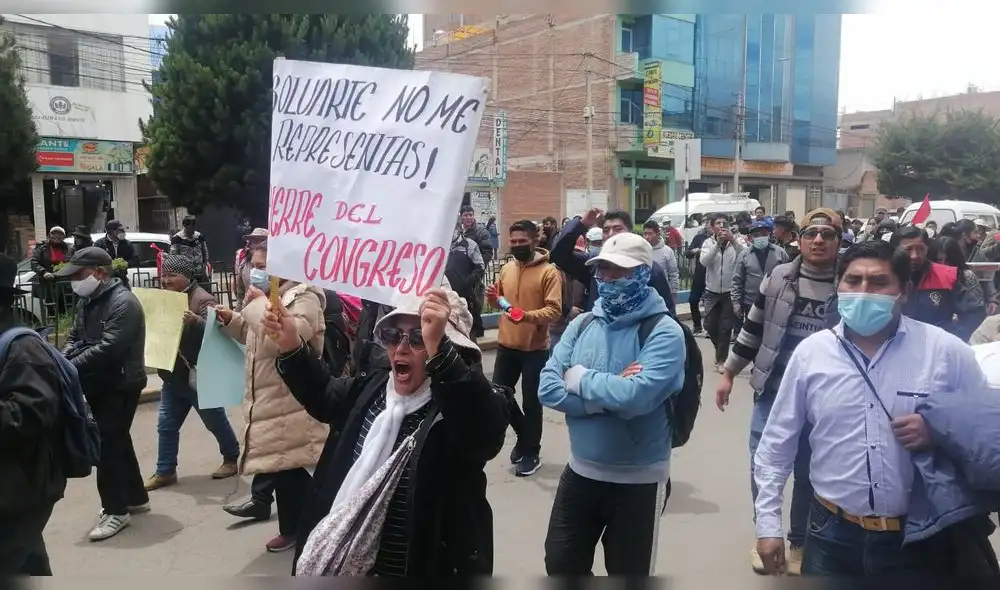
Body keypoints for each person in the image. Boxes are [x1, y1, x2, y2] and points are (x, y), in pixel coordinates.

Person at [754, 241, 994, 577]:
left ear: (904, 292)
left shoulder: (946, 352)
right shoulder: (812, 354)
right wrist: (767, 526)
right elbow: (776, 445)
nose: (863, 291)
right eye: (853, 280)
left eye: (879, 282)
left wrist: (939, 430)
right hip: (830, 534)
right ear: (838, 286)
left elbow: (987, 432)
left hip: (919, 536)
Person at [268, 285, 509, 576]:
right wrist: (292, 347)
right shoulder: (373, 386)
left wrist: (441, 354)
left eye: (420, 336)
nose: (402, 347)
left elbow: (483, 433)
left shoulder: (458, 406)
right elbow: (326, 397)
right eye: (393, 336)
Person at [538, 232, 685, 576]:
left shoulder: (665, 332)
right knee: (560, 565)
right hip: (580, 474)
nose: (607, 279)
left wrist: (578, 378)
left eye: (618, 271)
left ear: (643, 274)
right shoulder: (582, 323)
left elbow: (636, 396)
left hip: (638, 483)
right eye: (602, 270)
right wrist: (607, 396)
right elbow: (548, 388)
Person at [717, 208, 842, 575]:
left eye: (827, 234)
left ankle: (800, 540)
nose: (818, 240)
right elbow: (752, 330)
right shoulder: (779, 278)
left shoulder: (850, 282)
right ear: (799, 239)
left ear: (839, 240)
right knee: (764, 467)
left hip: (823, 402)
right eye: (811, 233)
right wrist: (728, 373)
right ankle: (766, 534)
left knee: (808, 471)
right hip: (772, 392)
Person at [216, 243, 328, 552]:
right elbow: (255, 337)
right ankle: (292, 529)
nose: (256, 271)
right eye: (254, 264)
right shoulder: (267, 298)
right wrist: (232, 322)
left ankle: (310, 534)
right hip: (269, 396)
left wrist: (256, 305)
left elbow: (286, 338)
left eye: (264, 265)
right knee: (282, 469)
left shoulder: (304, 296)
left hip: (293, 398)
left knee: (298, 469)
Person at [56, 247, 148, 541]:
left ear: (99, 273)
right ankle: (135, 496)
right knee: (118, 437)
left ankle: (116, 509)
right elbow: (76, 337)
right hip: (99, 383)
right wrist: (61, 359)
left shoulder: (125, 303)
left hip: (121, 384)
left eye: (79, 274)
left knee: (107, 443)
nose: (75, 281)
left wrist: (68, 367)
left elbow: (109, 348)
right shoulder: (88, 300)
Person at [143, 254, 240, 492]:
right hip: (173, 375)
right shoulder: (166, 298)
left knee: (214, 421)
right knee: (166, 426)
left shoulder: (203, 300)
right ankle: (165, 471)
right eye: (163, 275)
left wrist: (195, 321)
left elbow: (216, 334)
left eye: (171, 275)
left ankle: (231, 458)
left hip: (198, 376)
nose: (165, 280)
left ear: (186, 277)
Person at [0, 253, 65, 575]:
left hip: (22, 484)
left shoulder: (22, 347)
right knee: (27, 563)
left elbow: (32, 412)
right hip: (13, 485)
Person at [487, 220, 562, 477]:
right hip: (507, 345)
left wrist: (526, 316)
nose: (517, 245)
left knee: (532, 403)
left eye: (522, 241)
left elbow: (554, 310)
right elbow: (504, 302)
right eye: (514, 241)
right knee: (498, 398)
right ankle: (523, 437)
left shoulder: (549, 272)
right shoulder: (506, 269)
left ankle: (531, 452)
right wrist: (494, 300)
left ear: (534, 240)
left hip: (535, 349)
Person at [549, 209, 675, 316]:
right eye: (606, 230)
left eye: (617, 229)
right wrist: (581, 223)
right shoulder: (594, 263)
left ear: (629, 232)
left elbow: (667, 312)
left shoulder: (647, 269)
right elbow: (559, 255)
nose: (611, 234)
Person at [891, 226, 985, 342]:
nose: (914, 255)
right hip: (895, 345)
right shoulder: (883, 277)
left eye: (920, 249)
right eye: (908, 250)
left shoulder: (947, 276)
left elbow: (974, 312)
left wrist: (953, 338)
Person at [700, 213, 745, 372]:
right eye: (717, 223)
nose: (721, 226)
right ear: (712, 227)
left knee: (725, 327)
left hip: (729, 292)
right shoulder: (708, 243)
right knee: (710, 326)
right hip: (711, 292)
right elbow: (704, 261)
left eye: (723, 223)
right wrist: (717, 245)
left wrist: (732, 240)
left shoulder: (737, 241)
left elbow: (745, 256)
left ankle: (722, 359)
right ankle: (720, 350)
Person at [731, 219, 788, 335]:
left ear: (769, 235)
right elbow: (737, 280)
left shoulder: (780, 253)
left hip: (775, 301)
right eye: (756, 235)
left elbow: (789, 277)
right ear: (751, 238)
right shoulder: (744, 255)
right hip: (751, 302)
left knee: (772, 333)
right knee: (753, 334)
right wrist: (736, 302)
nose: (760, 237)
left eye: (764, 234)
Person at [445, 223, 485, 340]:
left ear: (458, 229)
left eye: (453, 228)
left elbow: (480, 267)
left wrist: (469, 281)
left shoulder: (470, 245)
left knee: (469, 327)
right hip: (447, 294)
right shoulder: (441, 246)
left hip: (466, 295)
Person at [459, 205, 494, 338]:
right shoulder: (458, 231)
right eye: (465, 215)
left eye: (470, 215)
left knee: (474, 300)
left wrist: (478, 268)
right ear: (461, 216)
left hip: (474, 272)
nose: (468, 217)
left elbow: (487, 252)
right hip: (460, 272)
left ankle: (477, 330)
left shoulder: (481, 232)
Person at [549, 235, 588, 352]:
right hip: (556, 329)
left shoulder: (580, 271)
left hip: (574, 326)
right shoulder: (553, 273)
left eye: (578, 252)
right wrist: (569, 310)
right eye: (573, 252)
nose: (575, 257)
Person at [29, 226, 70, 305]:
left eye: (60, 234)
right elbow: (34, 262)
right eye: (54, 233)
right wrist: (43, 272)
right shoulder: (41, 248)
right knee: (48, 308)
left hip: (63, 285)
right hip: (46, 284)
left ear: (64, 237)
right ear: (49, 235)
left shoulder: (67, 249)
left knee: (63, 308)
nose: (57, 236)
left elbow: (70, 262)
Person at [169, 214, 211, 287]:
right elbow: (174, 256)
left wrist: (204, 264)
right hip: (185, 272)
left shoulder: (199, 236)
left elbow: (204, 251)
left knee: (205, 289)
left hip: (199, 270)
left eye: (195, 226)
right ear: (185, 225)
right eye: (192, 227)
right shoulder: (177, 238)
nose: (193, 229)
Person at [233, 228, 268, 310]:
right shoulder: (244, 264)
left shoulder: (275, 266)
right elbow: (240, 295)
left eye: (259, 241)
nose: (255, 245)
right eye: (252, 241)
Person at [642, 219, 680, 295]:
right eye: (645, 234)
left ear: (658, 234)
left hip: (662, 294)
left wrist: (673, 294)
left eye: (650, 234)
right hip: (643, 294)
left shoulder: (667, 251)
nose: (647, 237)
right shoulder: (639, 250)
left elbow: (673, 274)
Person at [686, 223, 710, 335]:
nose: (708, 226)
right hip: (699, 274)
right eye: (707, 223)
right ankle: (697, 326)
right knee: (693, 299)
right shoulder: (699, 237)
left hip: (712, 276)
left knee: (710, 304)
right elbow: (688, 253)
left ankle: (710, 328)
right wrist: (697, 251)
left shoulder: (720, 239)